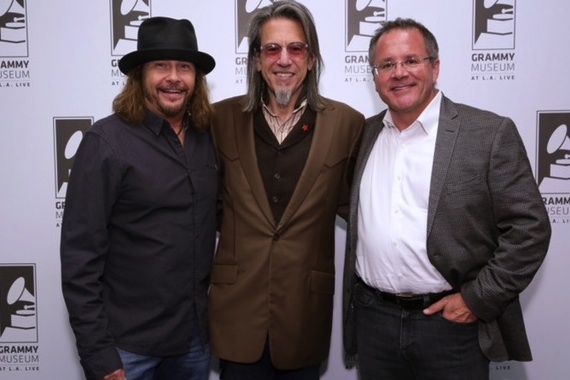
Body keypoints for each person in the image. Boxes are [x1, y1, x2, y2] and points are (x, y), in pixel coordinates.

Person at [342, 17, 551, 380]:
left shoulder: (488, 133)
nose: (398, 73)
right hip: (374, 321)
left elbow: (529, 230)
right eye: (386, 65)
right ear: (374, 77)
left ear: (435, 67)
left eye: (411, 60)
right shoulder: (364, 134)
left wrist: (476, 300)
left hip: (450, 328)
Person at [208, 1, 364, 379]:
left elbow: (361, 210)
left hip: (304, 316)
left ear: (311, 59)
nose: (284, 60)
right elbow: (207, 204)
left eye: (296, 48)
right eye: (272, 49)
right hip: (236, 313)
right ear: (256, 60)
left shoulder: (348, 123)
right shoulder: (219, 119)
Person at [60, 17, 217, 380]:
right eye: (161, 65)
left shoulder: (207, 138)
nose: (174, 77)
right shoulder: (106, 143)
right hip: (129, 349)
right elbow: (80, 258)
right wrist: (99, 355)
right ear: (140, 75)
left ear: (196, 78)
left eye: (184, 67)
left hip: (193, 341)